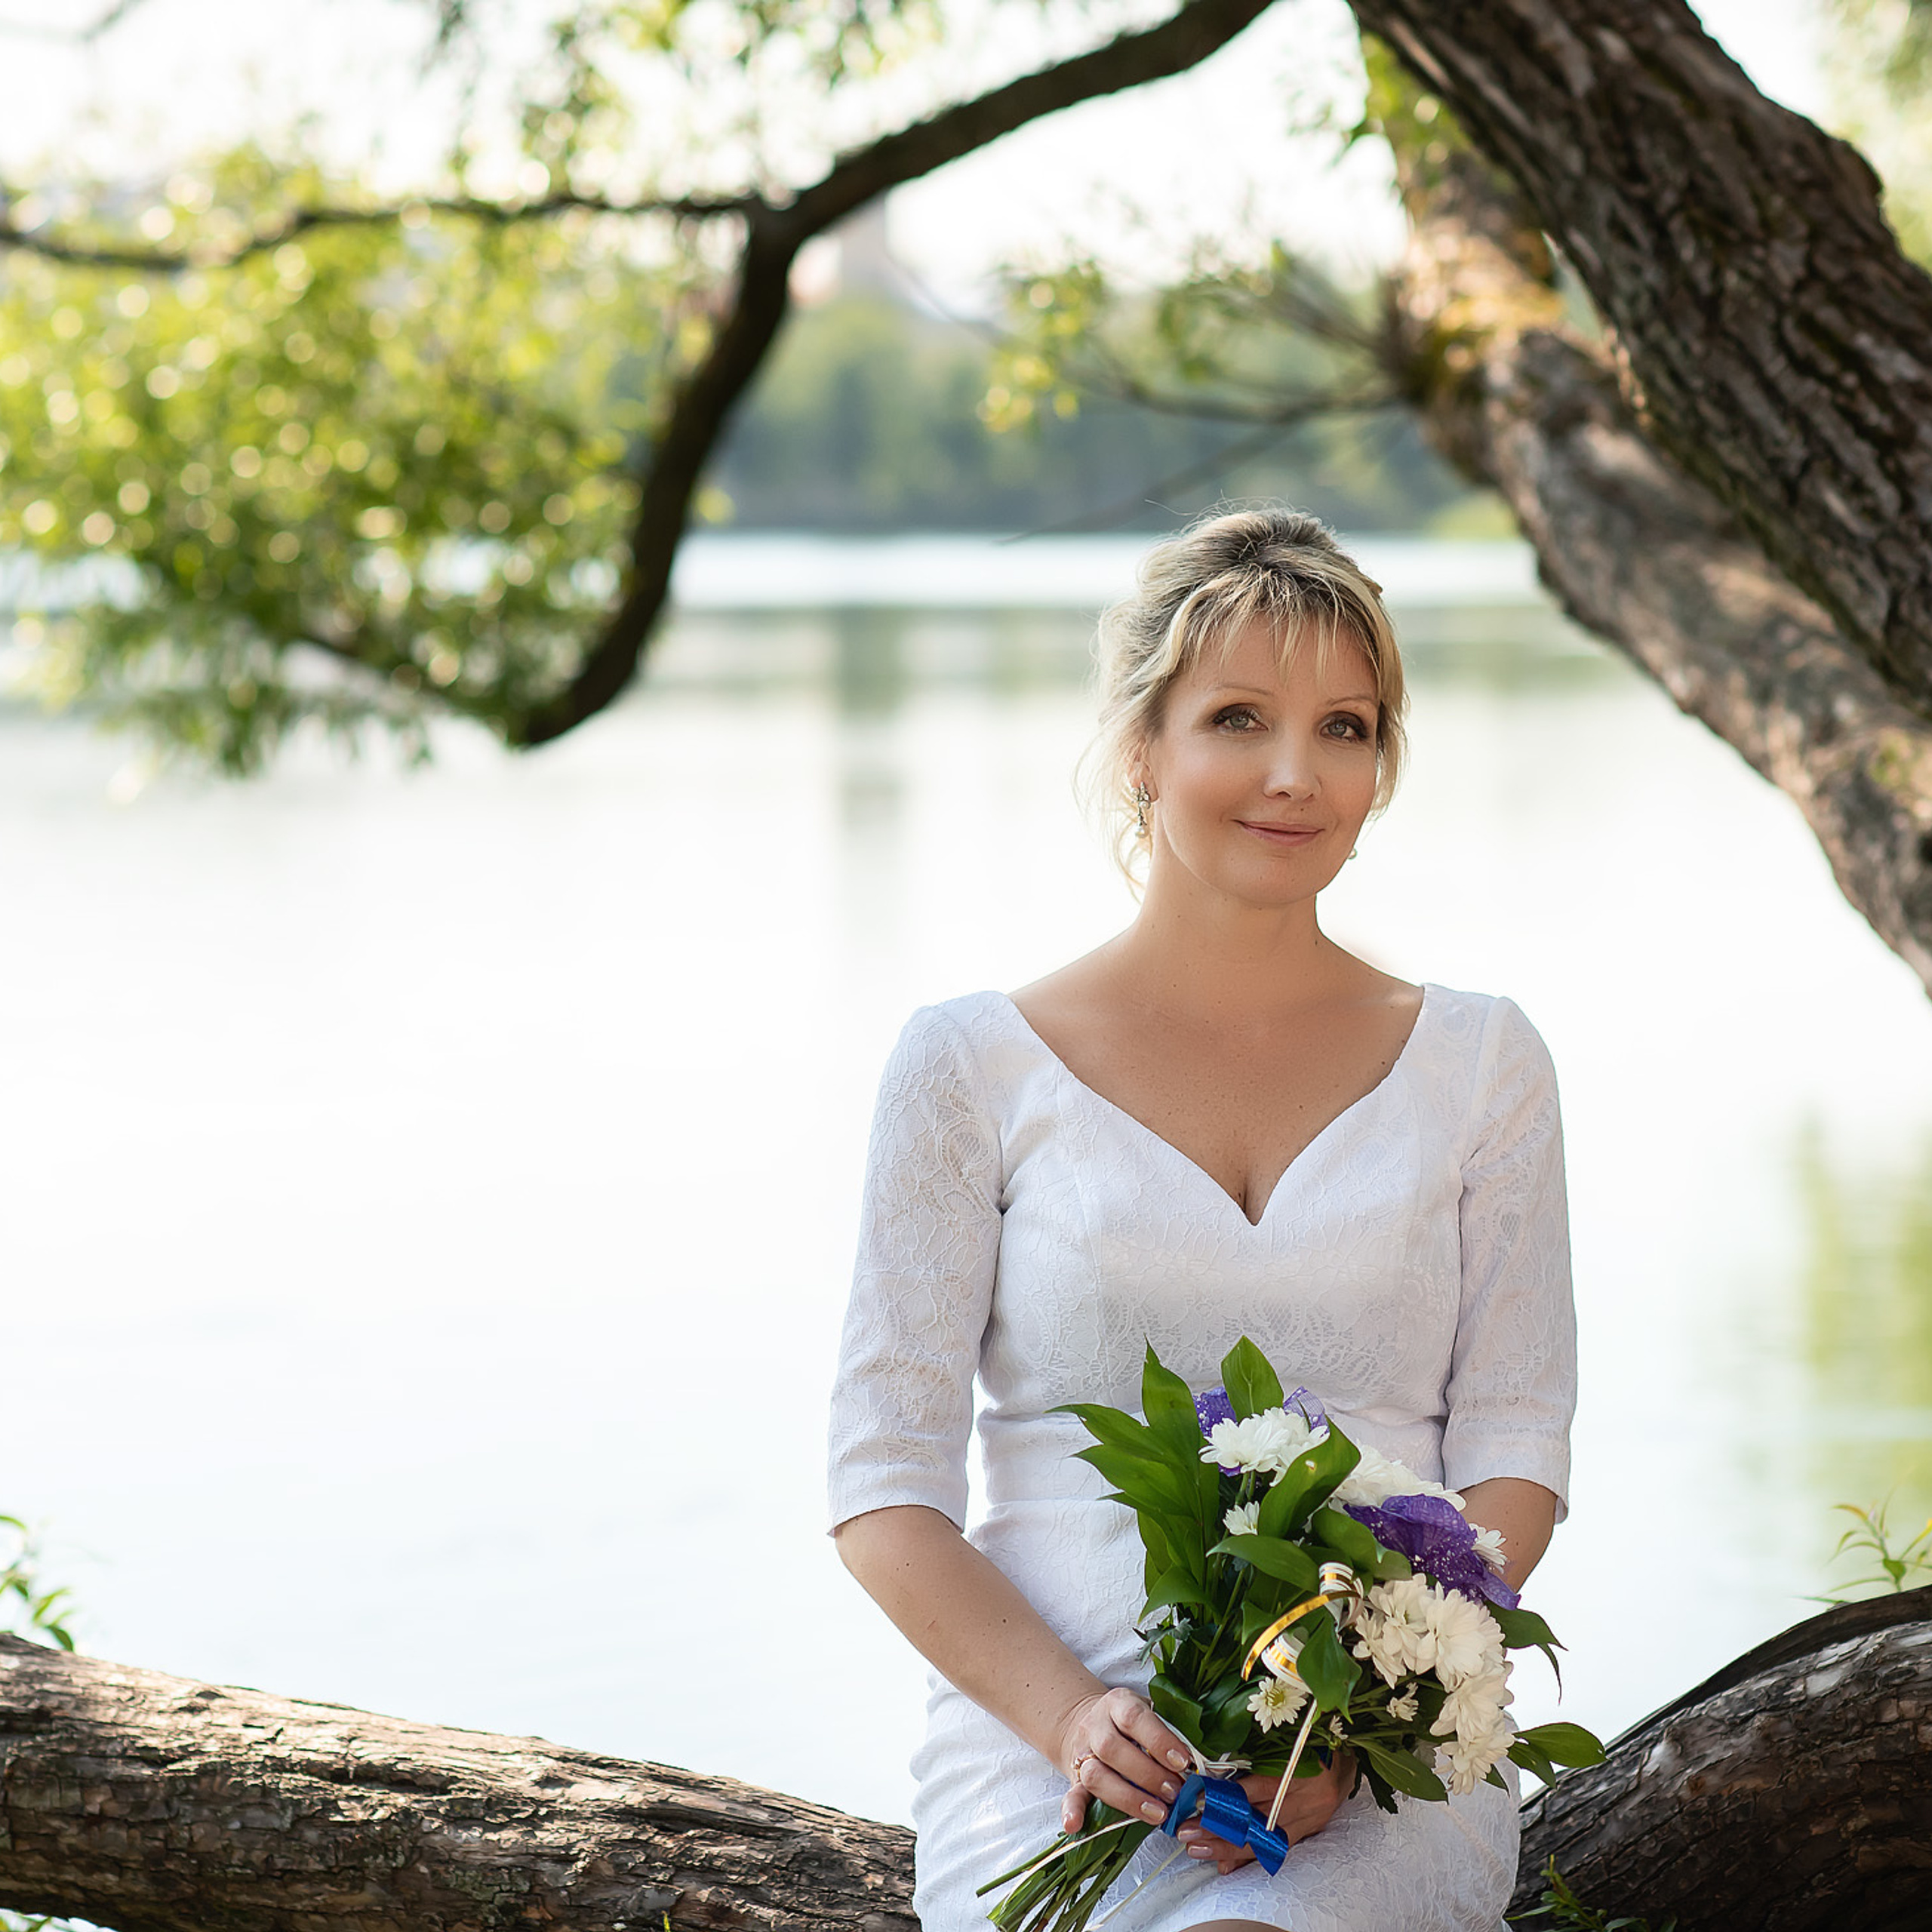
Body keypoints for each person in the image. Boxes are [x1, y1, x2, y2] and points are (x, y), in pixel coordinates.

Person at [825, 507, 1577, 1932]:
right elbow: (883, 1487)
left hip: (1374, 1763)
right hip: (1046, 1743)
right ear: (1141, 747)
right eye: (1240, 718)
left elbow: (1516, 1447)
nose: (1297, 774)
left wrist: (1364, 1717)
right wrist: (1071, 1721)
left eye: (1345, 728)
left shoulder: (1482, 1064)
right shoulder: (967, 1068)